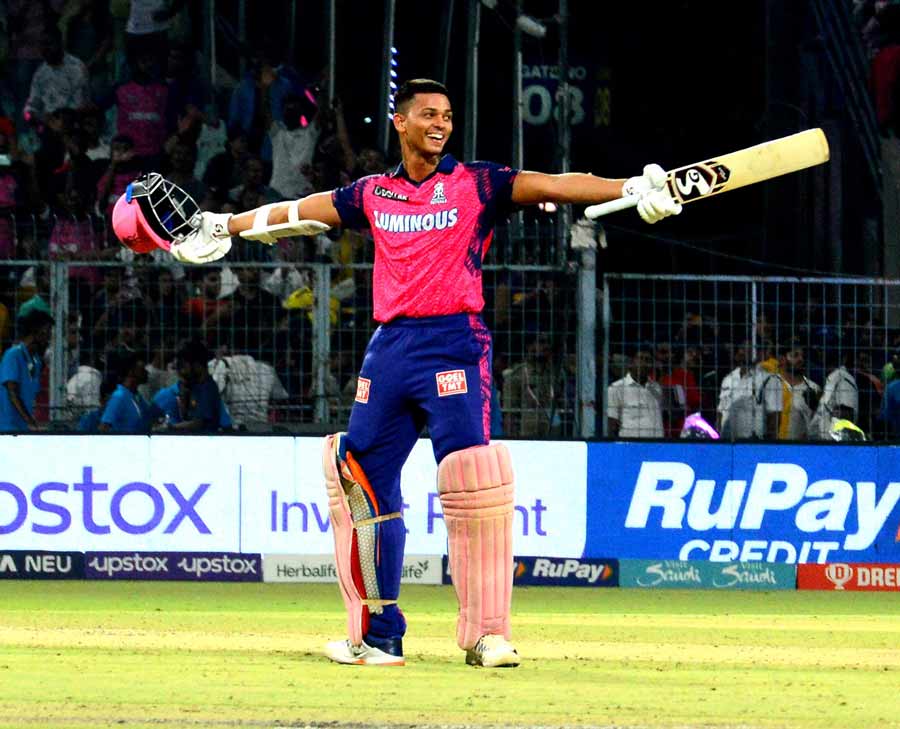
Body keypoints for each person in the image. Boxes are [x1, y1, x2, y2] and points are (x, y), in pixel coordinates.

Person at [118, 78, 680, 667]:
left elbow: (556, 184)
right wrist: (225, 225)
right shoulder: (373, 193)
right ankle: (378, 635)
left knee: (472, 480)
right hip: (389, 350)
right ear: (401, 122)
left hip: (454, 343)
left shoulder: (477, 183)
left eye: (448, 115)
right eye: (429, 114)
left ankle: (487, 635)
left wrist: (631, 186)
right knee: (358, 480)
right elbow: (299, 214)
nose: (441, 123)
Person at [152, 339, 231, 432]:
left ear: (197, 365)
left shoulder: (207, 389)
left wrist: (171, 428)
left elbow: (198, 423)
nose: (182, 371)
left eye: (184, 366)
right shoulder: (195, 387)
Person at [0, 309, 54, 432]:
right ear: (37, 332)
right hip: (6, 428)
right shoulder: (13, 355)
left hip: (23, 429)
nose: (49, 338)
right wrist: (31, 422)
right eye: (47, 332)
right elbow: (12, 394)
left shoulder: (36, 361)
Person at [607, 349, 665, 439]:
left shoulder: (656, 388)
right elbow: (611, 423)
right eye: (640, 359)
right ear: (631, 363)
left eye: (648, 360)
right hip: (631, 447)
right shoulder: (616, 388)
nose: (644, 363)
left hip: (657, 446)